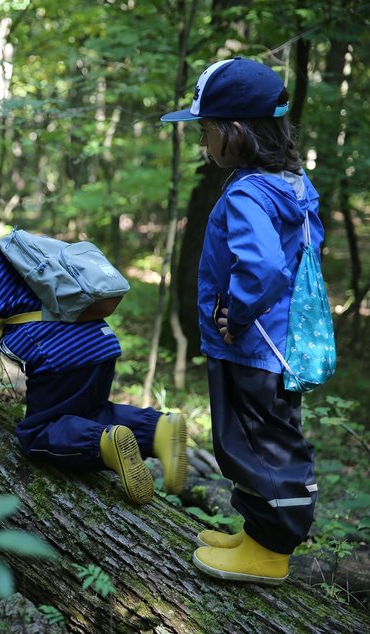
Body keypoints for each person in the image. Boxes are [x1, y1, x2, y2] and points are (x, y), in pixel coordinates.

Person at [0, 172, 188, 506]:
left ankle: (102, 444)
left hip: (57, 357)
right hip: (98, 343)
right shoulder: (8, 254)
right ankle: (158, 429)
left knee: (38, 433)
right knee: (89, 412)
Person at [161, 57, 322, 585]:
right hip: (278, 342)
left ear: (235, 131)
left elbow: (266, 265)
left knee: (259, 444)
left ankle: (270, 551)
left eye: (205, 131)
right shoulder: (290, 182)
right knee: (253, 439)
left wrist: (240, 312)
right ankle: (256, 534)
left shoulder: (249, 192)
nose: (203, 142)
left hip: (253, 344)